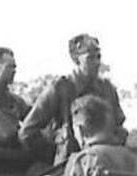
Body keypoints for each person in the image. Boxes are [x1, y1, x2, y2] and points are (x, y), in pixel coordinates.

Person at [19, 34, 127, 166]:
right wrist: (55, 152)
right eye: (90, 58)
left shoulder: (107, 89)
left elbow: (120, 127)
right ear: (77, 60)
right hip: (67, 168)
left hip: (106, 164)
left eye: (98, 57)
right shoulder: (59, 89)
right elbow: (27, 133)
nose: (97, 63)